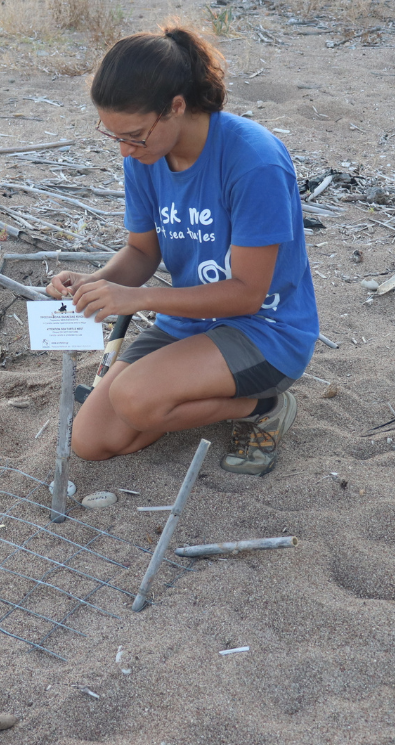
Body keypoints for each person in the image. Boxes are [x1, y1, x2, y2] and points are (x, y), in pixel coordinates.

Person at [45, 23, 319, 476]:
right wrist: (93, 284)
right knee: (92, 441)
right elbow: (141, 252)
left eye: (133, 135)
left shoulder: (254, 162)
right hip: (189, 323)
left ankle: (264, 404)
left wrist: (140, 298)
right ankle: (172, 393)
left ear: (176, 107)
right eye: (113, 136)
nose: (124, 152)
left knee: (134, 398)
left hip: (265, 332)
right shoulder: (147, 155)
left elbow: (246, 294)